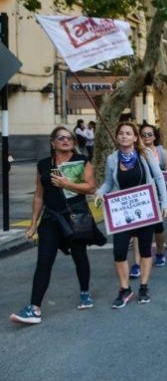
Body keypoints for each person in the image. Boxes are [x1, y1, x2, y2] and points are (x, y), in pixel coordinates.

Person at [9, 127, 99, 324]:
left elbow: (91, 187)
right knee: (43, 262)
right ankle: (34, 308)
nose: (65, 141)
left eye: (69, 138)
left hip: (75, 218)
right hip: (50, 220)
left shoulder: (81, 161)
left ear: (74, 142)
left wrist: (67, 184)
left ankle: (84, 292)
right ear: (52, 142)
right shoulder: (43, 165)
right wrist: (33, 224)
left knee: (79, 256)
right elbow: (39, 196)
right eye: (61, 138)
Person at [95, 122, 167, 308]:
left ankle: (144, 287)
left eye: (128, 133)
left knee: (144, 250)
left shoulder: (145, 155)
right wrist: (99, 192)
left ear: (135, 138)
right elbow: (109, 183)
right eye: (121, 133)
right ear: (118, 137)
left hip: (145, 209)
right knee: (119, 252)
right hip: (122, 212)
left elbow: (159, 178)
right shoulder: (112, 159)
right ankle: (125, 289)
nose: (124, 136)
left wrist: (164, 203)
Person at [133, 123, 167, 270]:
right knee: (138, 229)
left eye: (149, 134)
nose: (146, 137)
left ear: (155, 136)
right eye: (143, 134)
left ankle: (160, 253)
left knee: (158, 228)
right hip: (140, 196)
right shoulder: (134, 152)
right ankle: (138, 262)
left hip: (158, 195)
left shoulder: (162, 153)